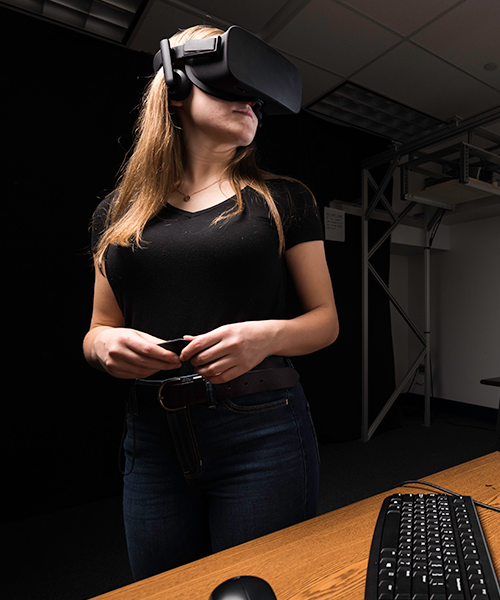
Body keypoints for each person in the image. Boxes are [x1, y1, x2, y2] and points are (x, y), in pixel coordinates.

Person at [82, 25, 338, 580]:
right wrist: (102, 345)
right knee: (163, 589)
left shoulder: (285, 199)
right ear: (175, 90)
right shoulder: (114, 213)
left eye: (257, 97)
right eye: (231, 87)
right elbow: (98, 326)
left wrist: (266, 336)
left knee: (260, 587)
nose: (252, 103)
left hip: (262, 431)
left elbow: (326, 322)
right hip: (150, 438)